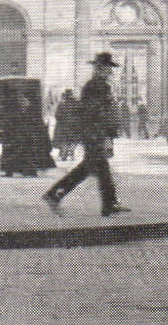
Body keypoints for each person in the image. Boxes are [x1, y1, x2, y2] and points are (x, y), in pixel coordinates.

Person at [43, 53, 128, 217]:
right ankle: (55, 194)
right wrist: (101, 131)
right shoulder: (97, 86)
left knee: (94, 168)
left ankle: (108, 203)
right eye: (107, 69)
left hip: (93, 132)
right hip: (94, 133)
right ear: (99, 69)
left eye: (110, 69)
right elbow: (94, 111)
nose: (110, 72)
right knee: (93, 168)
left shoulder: (96, 85)